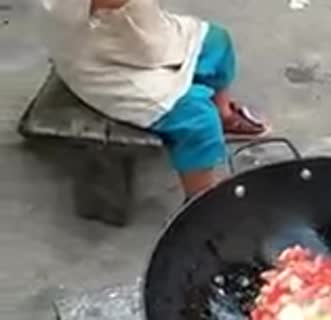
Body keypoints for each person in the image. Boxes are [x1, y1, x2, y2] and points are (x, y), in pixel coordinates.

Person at [39, 0, 269, 197]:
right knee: (197, 118)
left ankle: (224, 114)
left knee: (217, 41)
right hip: (106, 64)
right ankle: (200, 198)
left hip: (141, 35)